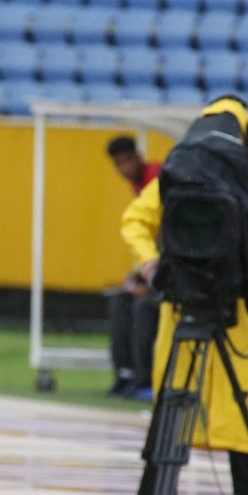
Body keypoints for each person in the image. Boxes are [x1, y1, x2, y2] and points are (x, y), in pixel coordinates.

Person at [120, 96, 248, 495]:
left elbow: (135, 220)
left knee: (185, 403)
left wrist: (150, 261)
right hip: (226, 312)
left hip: (194, 307)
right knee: (218, 406)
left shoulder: (174, 177)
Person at [105, 135, 161, 399]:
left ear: (138, 156)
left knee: (142, 307)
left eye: (128, 160)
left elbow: (165, 235)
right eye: (119, 164)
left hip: (169, 272)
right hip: (155, 267)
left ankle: (145, 379)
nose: (125, 168)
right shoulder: (139, 185)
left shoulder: (156, 181)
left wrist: (150, 280)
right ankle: (125, 374)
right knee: (120, 301)